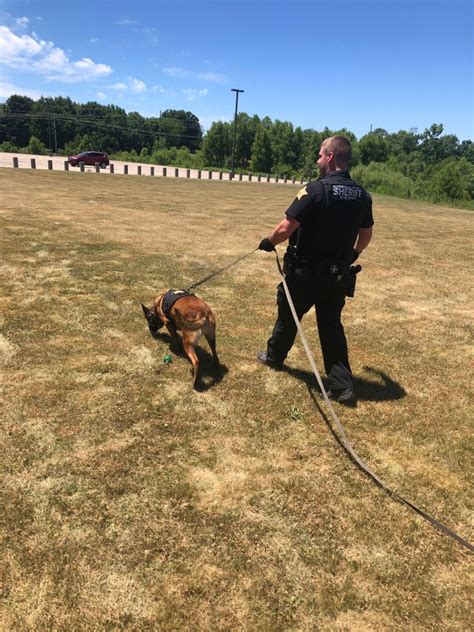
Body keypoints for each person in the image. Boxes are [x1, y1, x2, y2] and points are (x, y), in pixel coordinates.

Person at [257, 135, 374, 403]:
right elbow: (365, 235)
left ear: (331, 157)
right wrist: (350, 257)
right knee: (331, 326)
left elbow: (286, 229)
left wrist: (268, 242)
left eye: (320, 155)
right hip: (336, 276)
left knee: (288, 316)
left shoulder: (314, 190)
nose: (317, 160)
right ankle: (342, 386)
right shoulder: (362, 196)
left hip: (304, 274)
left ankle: (274, 357)